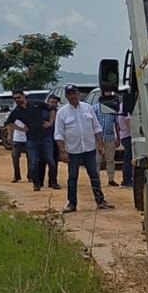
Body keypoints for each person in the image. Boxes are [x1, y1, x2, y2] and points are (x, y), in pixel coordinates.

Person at [53, 84, 113, 213]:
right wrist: (62, 151)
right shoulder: (62, 113)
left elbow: (96, 127)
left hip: (89, 149)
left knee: (94, 175)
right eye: (69, 94)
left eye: (74, 93)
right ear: (67, 96)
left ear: (78, 94)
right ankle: (72, 203)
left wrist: (100, 144)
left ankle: (100, 200)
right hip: (73, 151)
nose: (72, 96)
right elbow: (58, 134)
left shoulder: (88, 108)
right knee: (72, 177)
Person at [4, 90, 45, 186]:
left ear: (24, 97)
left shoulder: (33, 106)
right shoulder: (15, 110)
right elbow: (9, 123)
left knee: (31, 158)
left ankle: (31, 176)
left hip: (29, 137)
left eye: (19, 97)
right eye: (15, 98)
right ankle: (16, 175)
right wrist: (12, 134)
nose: (17, 100)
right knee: (15, 156)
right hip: (18, 137)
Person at [92, 93, 121, 186]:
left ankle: (111, 179)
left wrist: (118, 138)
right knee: (97, 160)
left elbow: (116, 124)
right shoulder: (95, 108)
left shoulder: (112, 109)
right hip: (97, 137)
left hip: (110, 137)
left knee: (110, 159)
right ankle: (96, 180)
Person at [38, 94, 61, 189]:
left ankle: (53, 181)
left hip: (55, 140)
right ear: (47, 102)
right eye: (52, 102)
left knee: (54, 162)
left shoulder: (60, 113)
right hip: (44, 139)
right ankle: (39, 182)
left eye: (56, 103)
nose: (54, 104)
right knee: (42, 162)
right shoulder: (42, 112)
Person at [117, 107, 134, 189]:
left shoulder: (121, 106)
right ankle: (127, 180)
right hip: (128, 136)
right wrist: (133, 133)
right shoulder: (125, 106)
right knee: (128, 159)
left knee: (128, 158)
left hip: (124, 135)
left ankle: (128, 179)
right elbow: (128, 121)